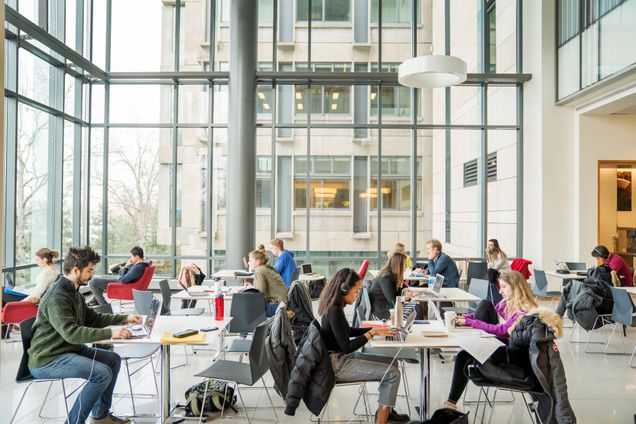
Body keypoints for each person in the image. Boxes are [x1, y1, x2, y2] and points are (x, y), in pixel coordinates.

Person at [28, 246, 141, 424]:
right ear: (75, 270)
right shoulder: (57, 296)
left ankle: (100, 416)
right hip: (48, 359)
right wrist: (112, 332)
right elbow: (72, 333)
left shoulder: (73, 292)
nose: (92, 275)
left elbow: (93, 318)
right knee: (101, 373)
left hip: (66, 351)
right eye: (89, 270)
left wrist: (125, 318)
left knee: (113, 360)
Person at [319, 268, 410, 424]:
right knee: (392, 373)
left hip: (340, 357)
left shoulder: (335, 306)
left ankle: (387, 411)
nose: (357, 295)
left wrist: (376, 329)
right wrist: (372, 334)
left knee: (392, 363)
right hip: (337, 365)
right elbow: (347, 346)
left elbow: (347, 331)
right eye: (356, 291)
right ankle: (381, 421)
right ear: (344, 289)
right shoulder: (334, 310)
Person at [445, 270, 537, 409]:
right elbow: (485, 312)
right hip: (498, 344)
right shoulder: (506, 303)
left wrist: (469, 322)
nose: (500, 291)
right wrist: (464, 318)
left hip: (510, 352)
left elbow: (503, 331)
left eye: (504, 287)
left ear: (515, 286)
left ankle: (450, 404)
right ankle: (451, 404)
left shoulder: (525, 309)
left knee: (485, 303)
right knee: (463, 354)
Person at [369, 252, 420, 320]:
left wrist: (408, 291)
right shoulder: (385, 279)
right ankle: (412, 329)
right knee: (417, 309)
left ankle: (411, 329)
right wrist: (406, 297)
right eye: (405, 264)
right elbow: (393, 302)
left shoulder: (391, 275)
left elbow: (402, 287)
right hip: (383, 313)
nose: (406, 266)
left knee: (417, 307)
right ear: (398, 265)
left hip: (387, 308)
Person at [245, 249, 289, 317]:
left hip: (275, 307)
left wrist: (248, 290)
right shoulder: (267, 268)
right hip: (283, 304)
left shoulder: (259, 271)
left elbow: (259, 295)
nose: (248, 263)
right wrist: (252, 287)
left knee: (247, 308)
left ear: (257, 262)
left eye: (250, 260)